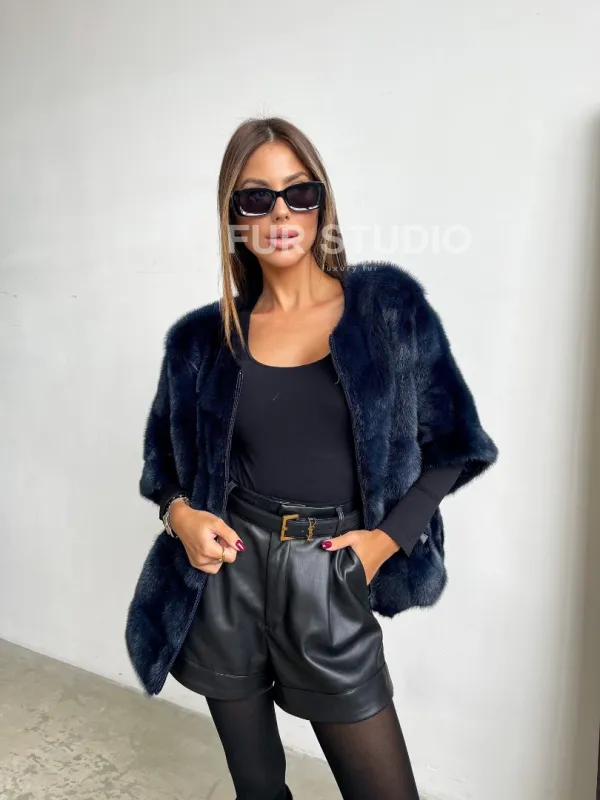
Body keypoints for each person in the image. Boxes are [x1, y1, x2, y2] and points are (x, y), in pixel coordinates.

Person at [127, 116, 498, 800]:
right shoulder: (202, 339)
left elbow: (453, 444)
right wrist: (180, 515)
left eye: (299, 193)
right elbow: (163, 464)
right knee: (259, 789)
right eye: (256, 197)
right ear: (233, 218)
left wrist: (385, 541)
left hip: (329, 570)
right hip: (228, 576)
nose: (280, 214)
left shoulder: (386, 309)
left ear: (322, 203)